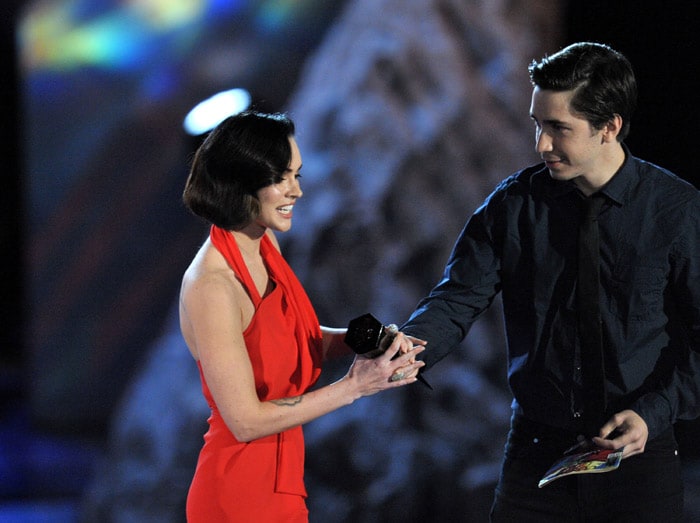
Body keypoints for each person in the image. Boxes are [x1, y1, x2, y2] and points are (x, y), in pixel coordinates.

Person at [399, 42, 700, 521]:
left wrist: (654, 412)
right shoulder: (513, 204)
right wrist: (406, 348)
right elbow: (457, 298)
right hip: (535, 454)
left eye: (558, 128)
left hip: (638, 458)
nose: (541, 144)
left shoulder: (676, 210)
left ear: (610, 126)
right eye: (537, 124)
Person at [178, 110, 425, 522]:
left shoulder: (263, 241)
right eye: (281, 179)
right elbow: (244, 421)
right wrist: (355, 387)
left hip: (281, 486)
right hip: (237, 499)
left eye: (297, 175)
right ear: (242, 181)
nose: (296, 191)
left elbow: (295, 339)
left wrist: (367, 342)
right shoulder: (212, 286)